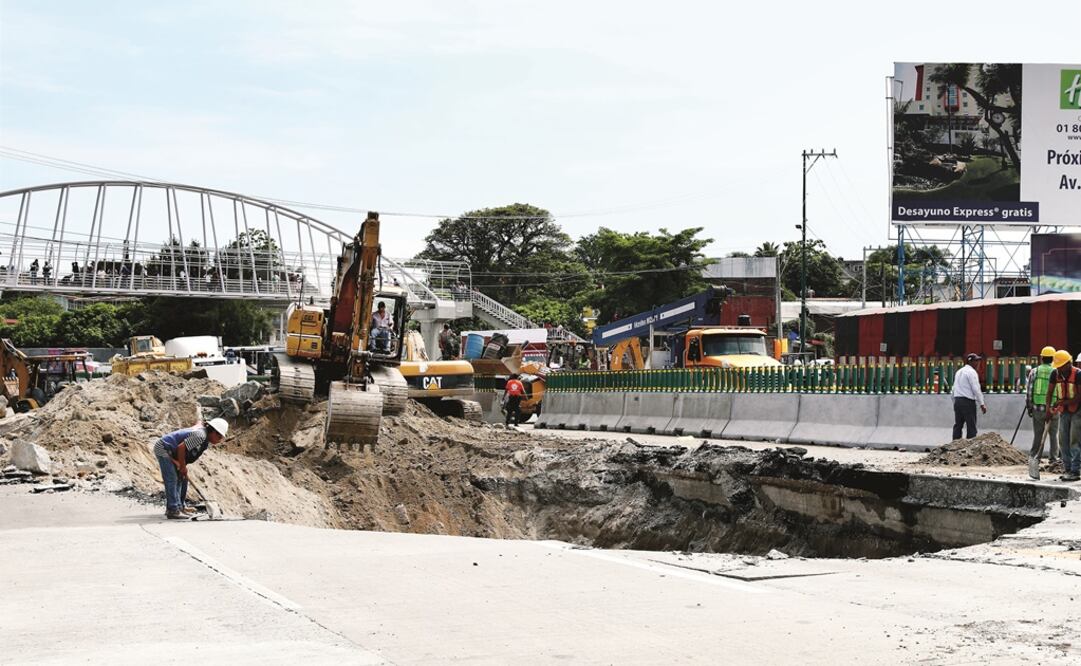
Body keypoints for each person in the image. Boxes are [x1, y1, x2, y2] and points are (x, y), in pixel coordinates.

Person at [153, 418, 229, 518]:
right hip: (163, 448)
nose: (219, 440)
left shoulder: (204, 438)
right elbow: (181, 448)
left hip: (173, 451)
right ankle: (172, 510)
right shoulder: (200, 436)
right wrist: (182, 467)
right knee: (172, 478)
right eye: (219, 437)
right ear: (213, 432)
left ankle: (180, 507)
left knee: (183, 478)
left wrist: (181, 465)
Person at [1047, 349, 1081, 482]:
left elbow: (1080, 396)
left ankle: (1075, 470)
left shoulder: (1078, 374)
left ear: (1068, 364)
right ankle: (1067, 469)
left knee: (1074, 440)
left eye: (1060, 366)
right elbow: (1049, 393)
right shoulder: (1055, 374)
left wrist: (1063, 402)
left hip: (1078, 410)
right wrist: (1049, 408)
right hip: (1064, 411)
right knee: (1063, 440)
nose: (1058, 369)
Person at [1026, 346, 1060, 479]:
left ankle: (1034, 457)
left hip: (1038, 408)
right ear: (1053, 359)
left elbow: (1029, 391)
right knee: (1053, 435)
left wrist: (1029, 407)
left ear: (1041, 358)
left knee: (1038, 435)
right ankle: (1053, 460)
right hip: (1053, 408)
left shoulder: (1035, 371)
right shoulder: (1057, 372)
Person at [951, 353, 986, 440]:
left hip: (958, 401)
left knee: (958, 425)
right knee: (971, 425)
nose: (978, 363)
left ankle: (954, 445)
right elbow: (976, 388)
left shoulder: (959, 372)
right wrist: (982, 403)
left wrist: (955, 401)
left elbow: (954, 389)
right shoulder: (971, 372)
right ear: (971, 362)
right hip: (968, 401)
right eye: (976, 361)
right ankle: (971, 446)